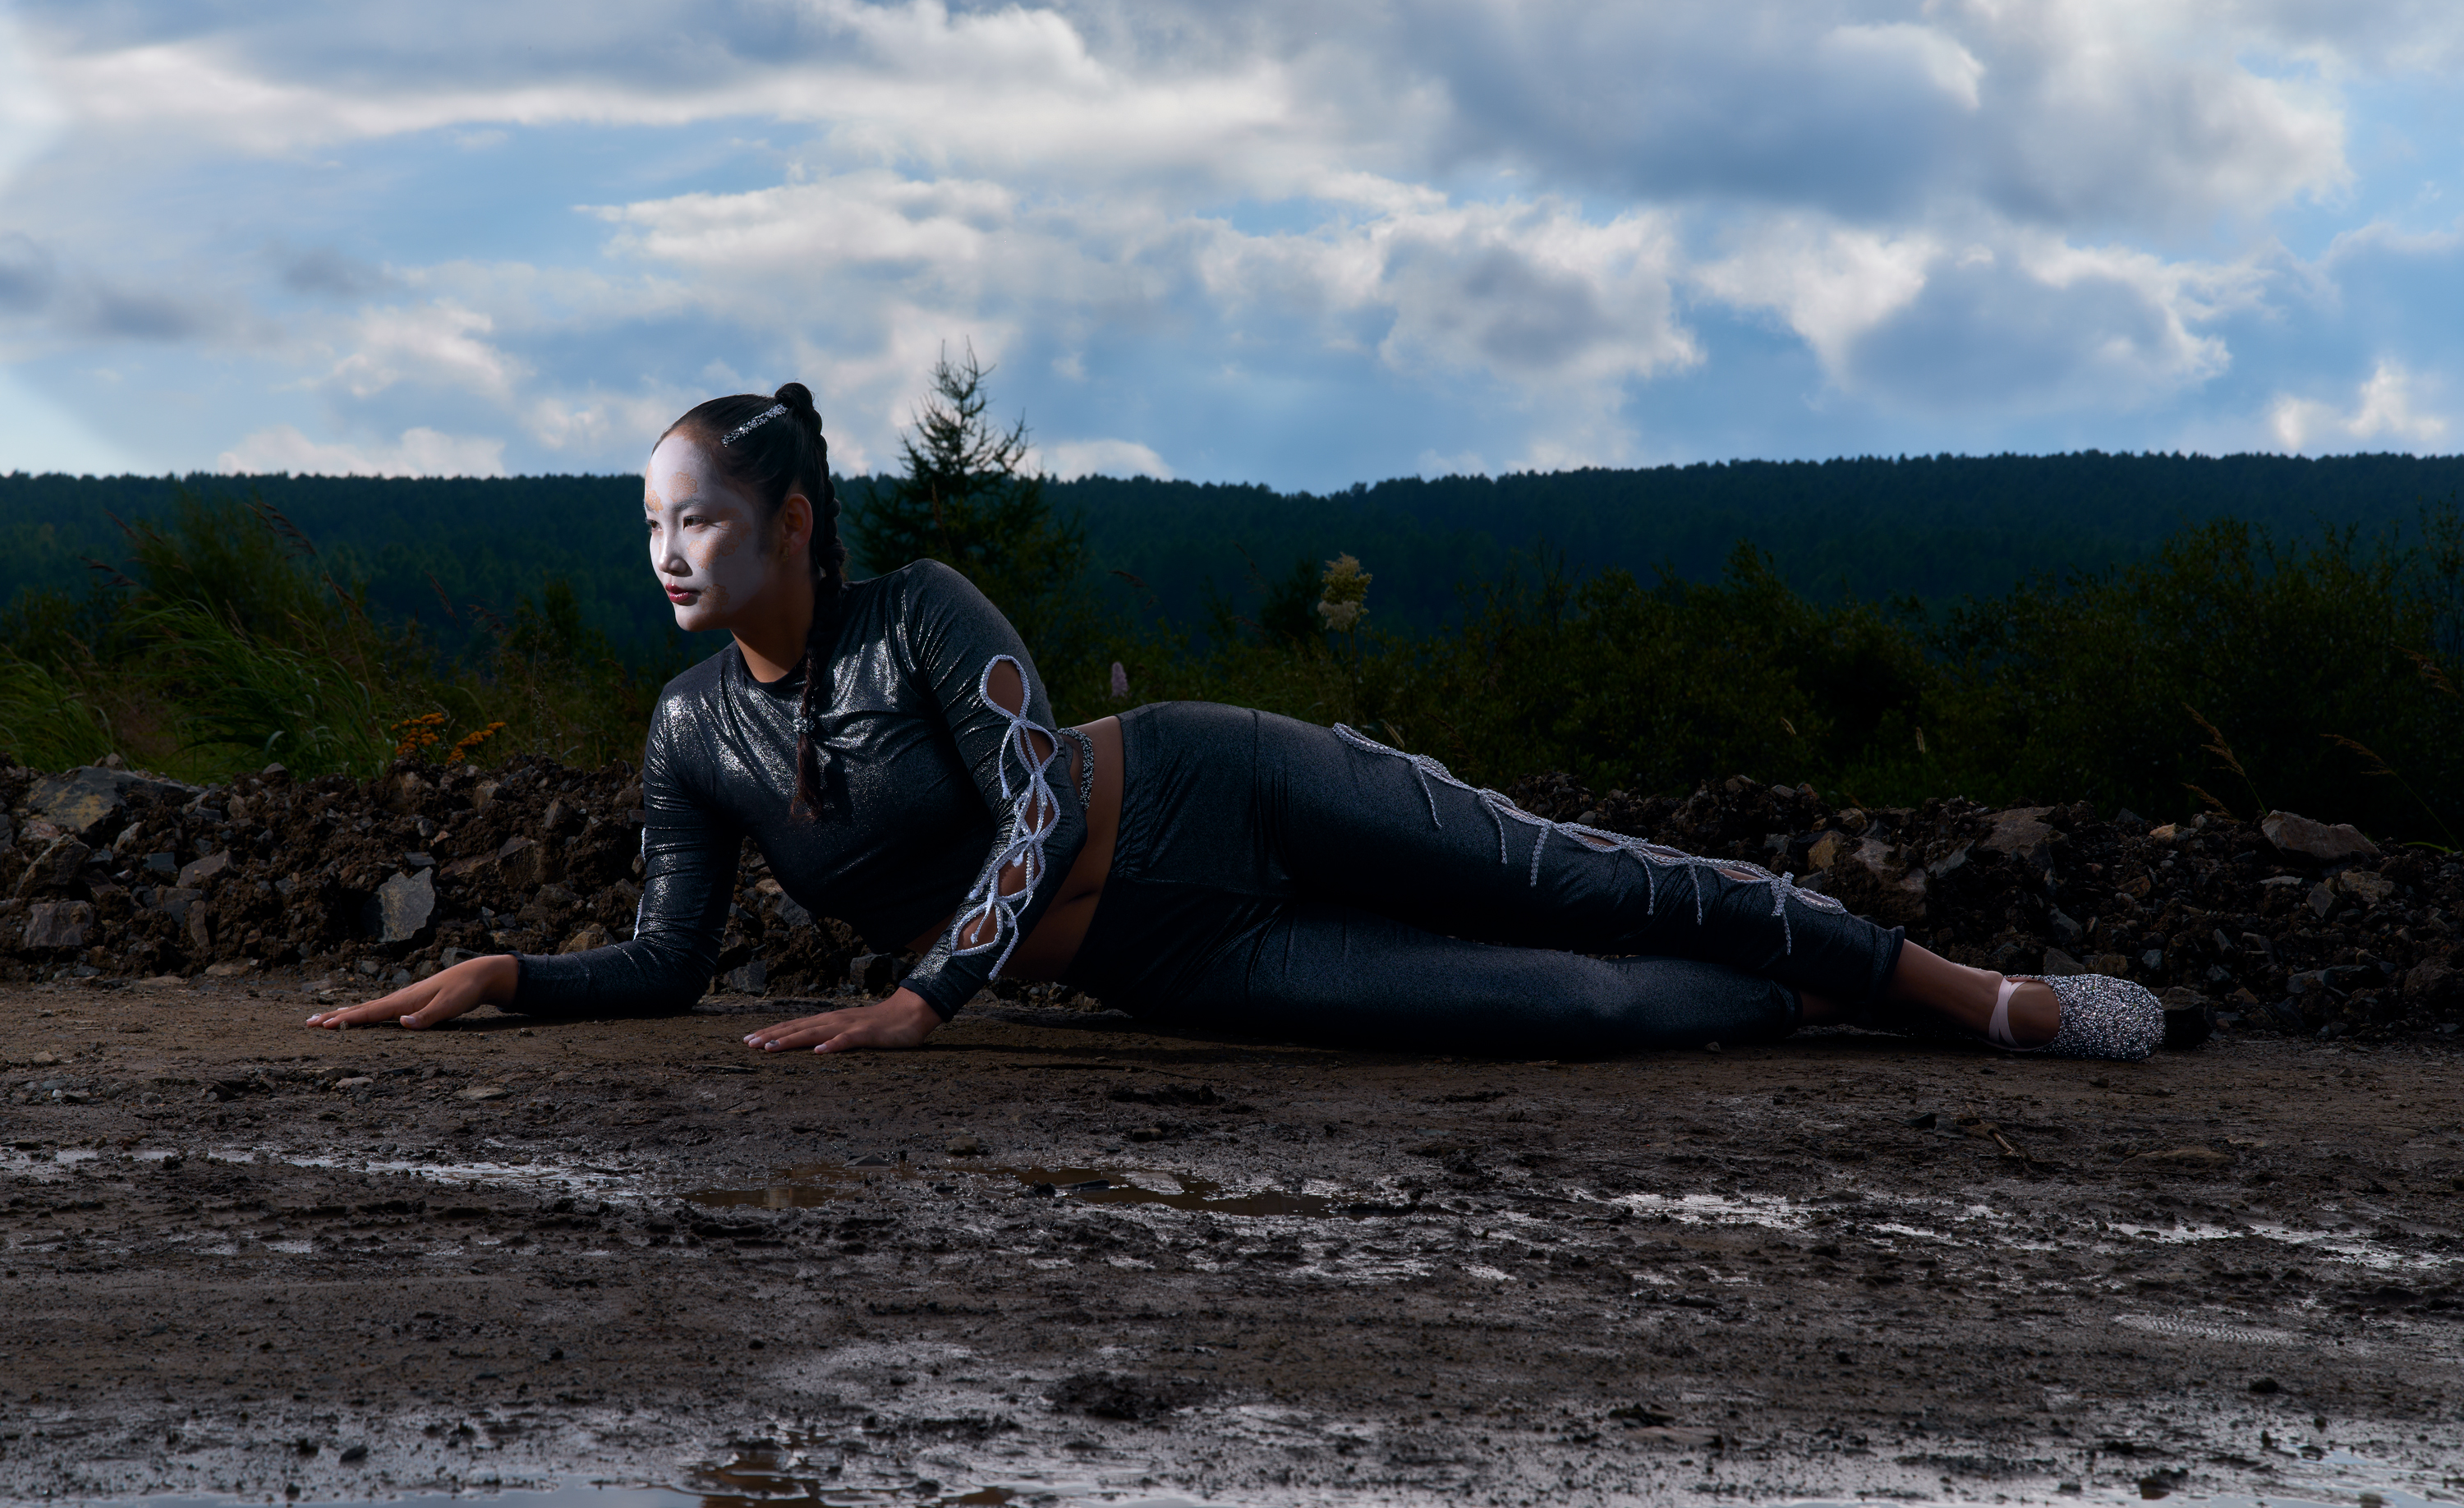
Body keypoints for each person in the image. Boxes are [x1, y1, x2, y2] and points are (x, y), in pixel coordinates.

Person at [306, 385, 2161, 1063]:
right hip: (1185, 958)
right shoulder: (687, 729)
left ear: (791, 521)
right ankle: (1809, 1005)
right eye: (648, 525)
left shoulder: (924, 606)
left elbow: (1030, 803)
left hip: (1217, 787)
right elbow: (664, 959)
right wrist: (509, 974)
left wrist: (921, 994)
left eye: (696, 515)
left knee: (1575, 875)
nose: (669, 552)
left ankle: (1967, 995)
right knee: (1573, 1001)